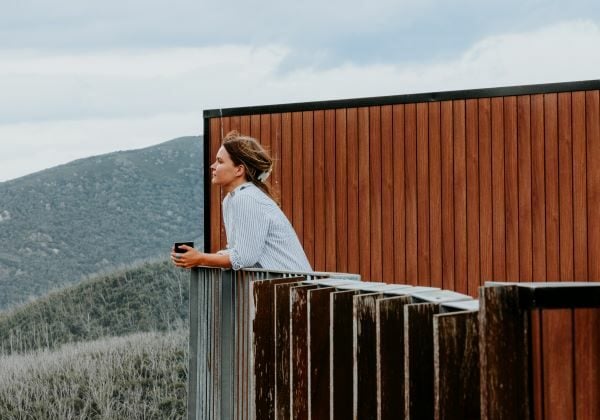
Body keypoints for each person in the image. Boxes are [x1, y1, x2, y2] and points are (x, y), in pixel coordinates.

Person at [171, 130, 312, 272]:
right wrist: (196, 257)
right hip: (282, 286)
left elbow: (244, 257)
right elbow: (238, 252)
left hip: (295, 288)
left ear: (239, 170)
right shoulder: (232, 200)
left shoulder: (246, 198)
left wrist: (201, 258)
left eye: (220, 161)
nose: (212, 166)